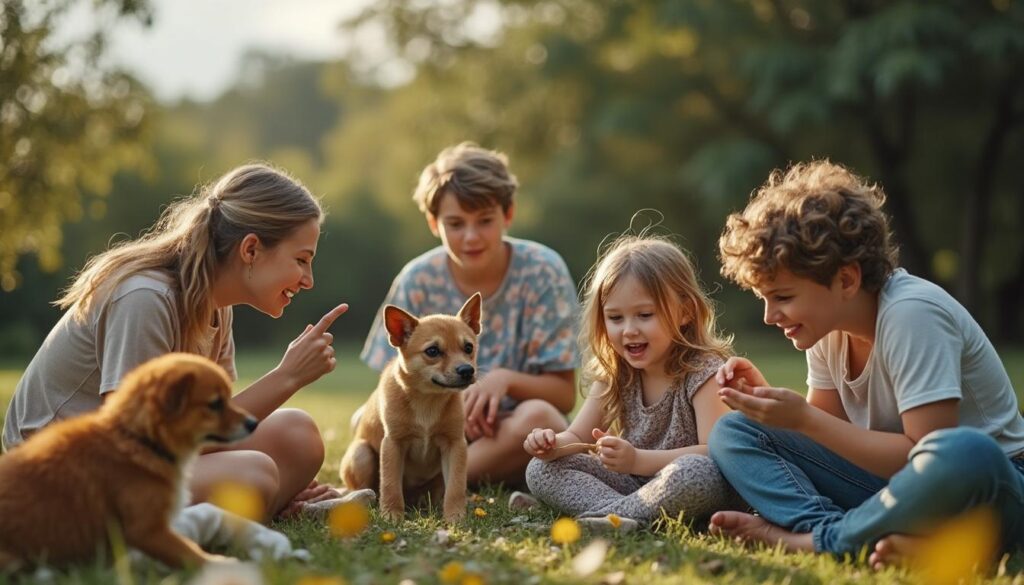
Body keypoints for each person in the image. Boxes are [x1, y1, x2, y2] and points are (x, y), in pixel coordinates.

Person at [709, 160, 1024, 567]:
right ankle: (847, 532)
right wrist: (770, 409)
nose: (770, 316)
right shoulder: (827, 327)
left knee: (966, 451)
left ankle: (816, 541)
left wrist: (802, 418)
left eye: (783, 297)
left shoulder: (913, 314)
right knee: (735, 431)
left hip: (987, 487)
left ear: (845, 280)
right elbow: (829, 436)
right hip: (900, 490)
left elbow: (924, 455)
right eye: (764, 298)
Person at [3, 163, 349, 520]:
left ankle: (260, 509)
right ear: (250, 250)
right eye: (302, 260)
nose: (308, 280)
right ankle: (223, 516)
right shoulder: (144, 298)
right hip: (58, 478)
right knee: (255, 473)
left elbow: (208, 431)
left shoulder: (217, 308)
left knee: (298, 435)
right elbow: (131, 441)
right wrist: (286, 376)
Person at [360, 142, 578, 485]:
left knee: (541, 417)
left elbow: (564, 394)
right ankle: (438, 478)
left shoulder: (542, 271)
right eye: (456, 223)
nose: (471, 236)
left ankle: (435, 485)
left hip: (504, 431)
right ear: (434, 223)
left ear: (508, 215)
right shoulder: (417, 279)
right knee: (365, 417)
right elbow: (391, 383)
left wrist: (502, 380)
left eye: (485, 220)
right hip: (429, 428)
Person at [522, 234, 743, 530]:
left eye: (644, 315)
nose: (629, 330)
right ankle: (625, 517)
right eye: (615, 318)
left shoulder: (704, 372)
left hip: (692, 484)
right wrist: (551, 445)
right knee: (540, 469)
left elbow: (715, 452)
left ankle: (608, 516)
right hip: (633, 486)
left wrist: (637, 459)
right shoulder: (615, 372)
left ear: (686, 312)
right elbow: (576, 437)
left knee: (696, 471)